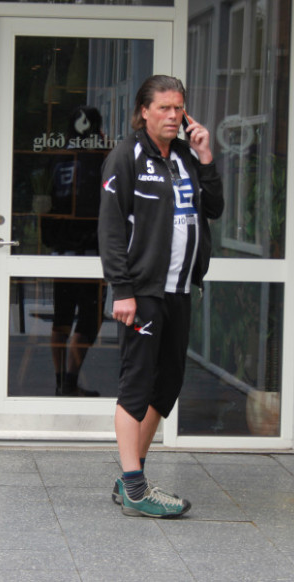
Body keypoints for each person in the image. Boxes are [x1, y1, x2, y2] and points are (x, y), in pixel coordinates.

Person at [98, 75, 224, 518]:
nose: (173, 116)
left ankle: (131, 476)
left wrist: (206, 156)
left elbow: (213, 208)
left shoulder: (186, 156)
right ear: (144, 111)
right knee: (136, 385)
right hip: (143, 290)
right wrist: (122, 290)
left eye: (179, 108)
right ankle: (136, 487)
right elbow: (111, 229)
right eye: (164, 108)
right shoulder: (126, 156)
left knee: (166, 385)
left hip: (179, 289)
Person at [45, 106, 106, 397]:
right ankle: (69, 381)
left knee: (62, 318)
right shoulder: (101, 158)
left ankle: (61, 382)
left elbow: (46, 199)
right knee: (89, 320)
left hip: (62, 249)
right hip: (91, 250)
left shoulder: (57, 158)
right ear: (97, 130)